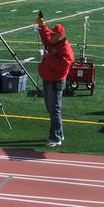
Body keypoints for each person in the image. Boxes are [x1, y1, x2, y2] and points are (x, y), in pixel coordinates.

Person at [34, 11, 74, 147]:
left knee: (55, 109)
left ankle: (55, 137)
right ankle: (59, 134)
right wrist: (41, 25)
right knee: (51, 109)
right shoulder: (54, 42)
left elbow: (62, 67)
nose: (51, 35)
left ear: (60, 36)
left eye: (54, 34)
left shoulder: (65, 50)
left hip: (55, 82)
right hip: (48, 79)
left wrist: (47, 57)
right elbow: (46, 35)